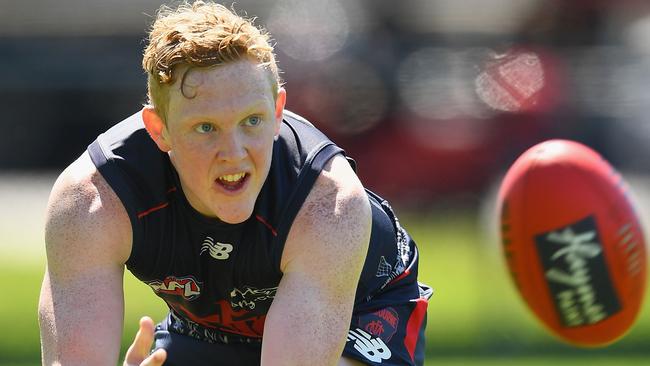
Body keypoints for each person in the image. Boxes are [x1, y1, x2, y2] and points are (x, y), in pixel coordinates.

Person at [38, 1, 432, 365]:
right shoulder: (93, 201)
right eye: (205, 127)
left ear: (278, 111)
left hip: (361, 307)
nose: (234, 152)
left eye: (252, 122)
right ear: (159, 129)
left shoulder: (326, 204)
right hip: (209, 325)